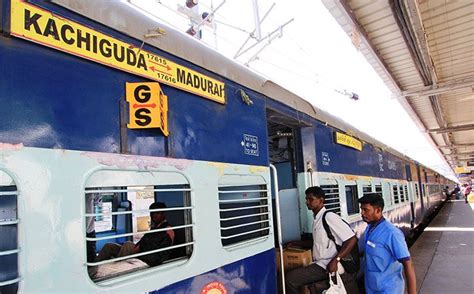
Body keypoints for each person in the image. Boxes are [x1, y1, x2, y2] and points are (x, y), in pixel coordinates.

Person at [285, 186, 358, 294]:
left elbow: (352, 239)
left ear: (321, 200)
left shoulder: (329, 217)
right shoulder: (316, 219)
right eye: (306, 199)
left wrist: (336, 260)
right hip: (321, 262)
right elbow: (318, 242)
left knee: (291, 278)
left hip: (328, 264)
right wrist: (295, 243)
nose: (307, 202)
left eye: (310, 199)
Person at [359, 193, 416, 294]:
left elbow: (408, 264)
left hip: (389, 289)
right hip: (372, 289)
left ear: (378, 210)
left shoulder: (392, 233)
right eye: (361, 209)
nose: (362, 213)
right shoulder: (369, 229)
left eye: (366, 210)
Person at [96, 202, 175, 267]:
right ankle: (93, 267)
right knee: (109, 246)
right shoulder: (155, 228)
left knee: (128, 244)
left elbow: (161, 253)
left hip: (143, 254)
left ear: (164, 214)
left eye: (157, 213)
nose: (154, 216)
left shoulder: (167, 230)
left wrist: (140, 250)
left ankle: (117, 267)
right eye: (152, 213)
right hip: (138, 249)